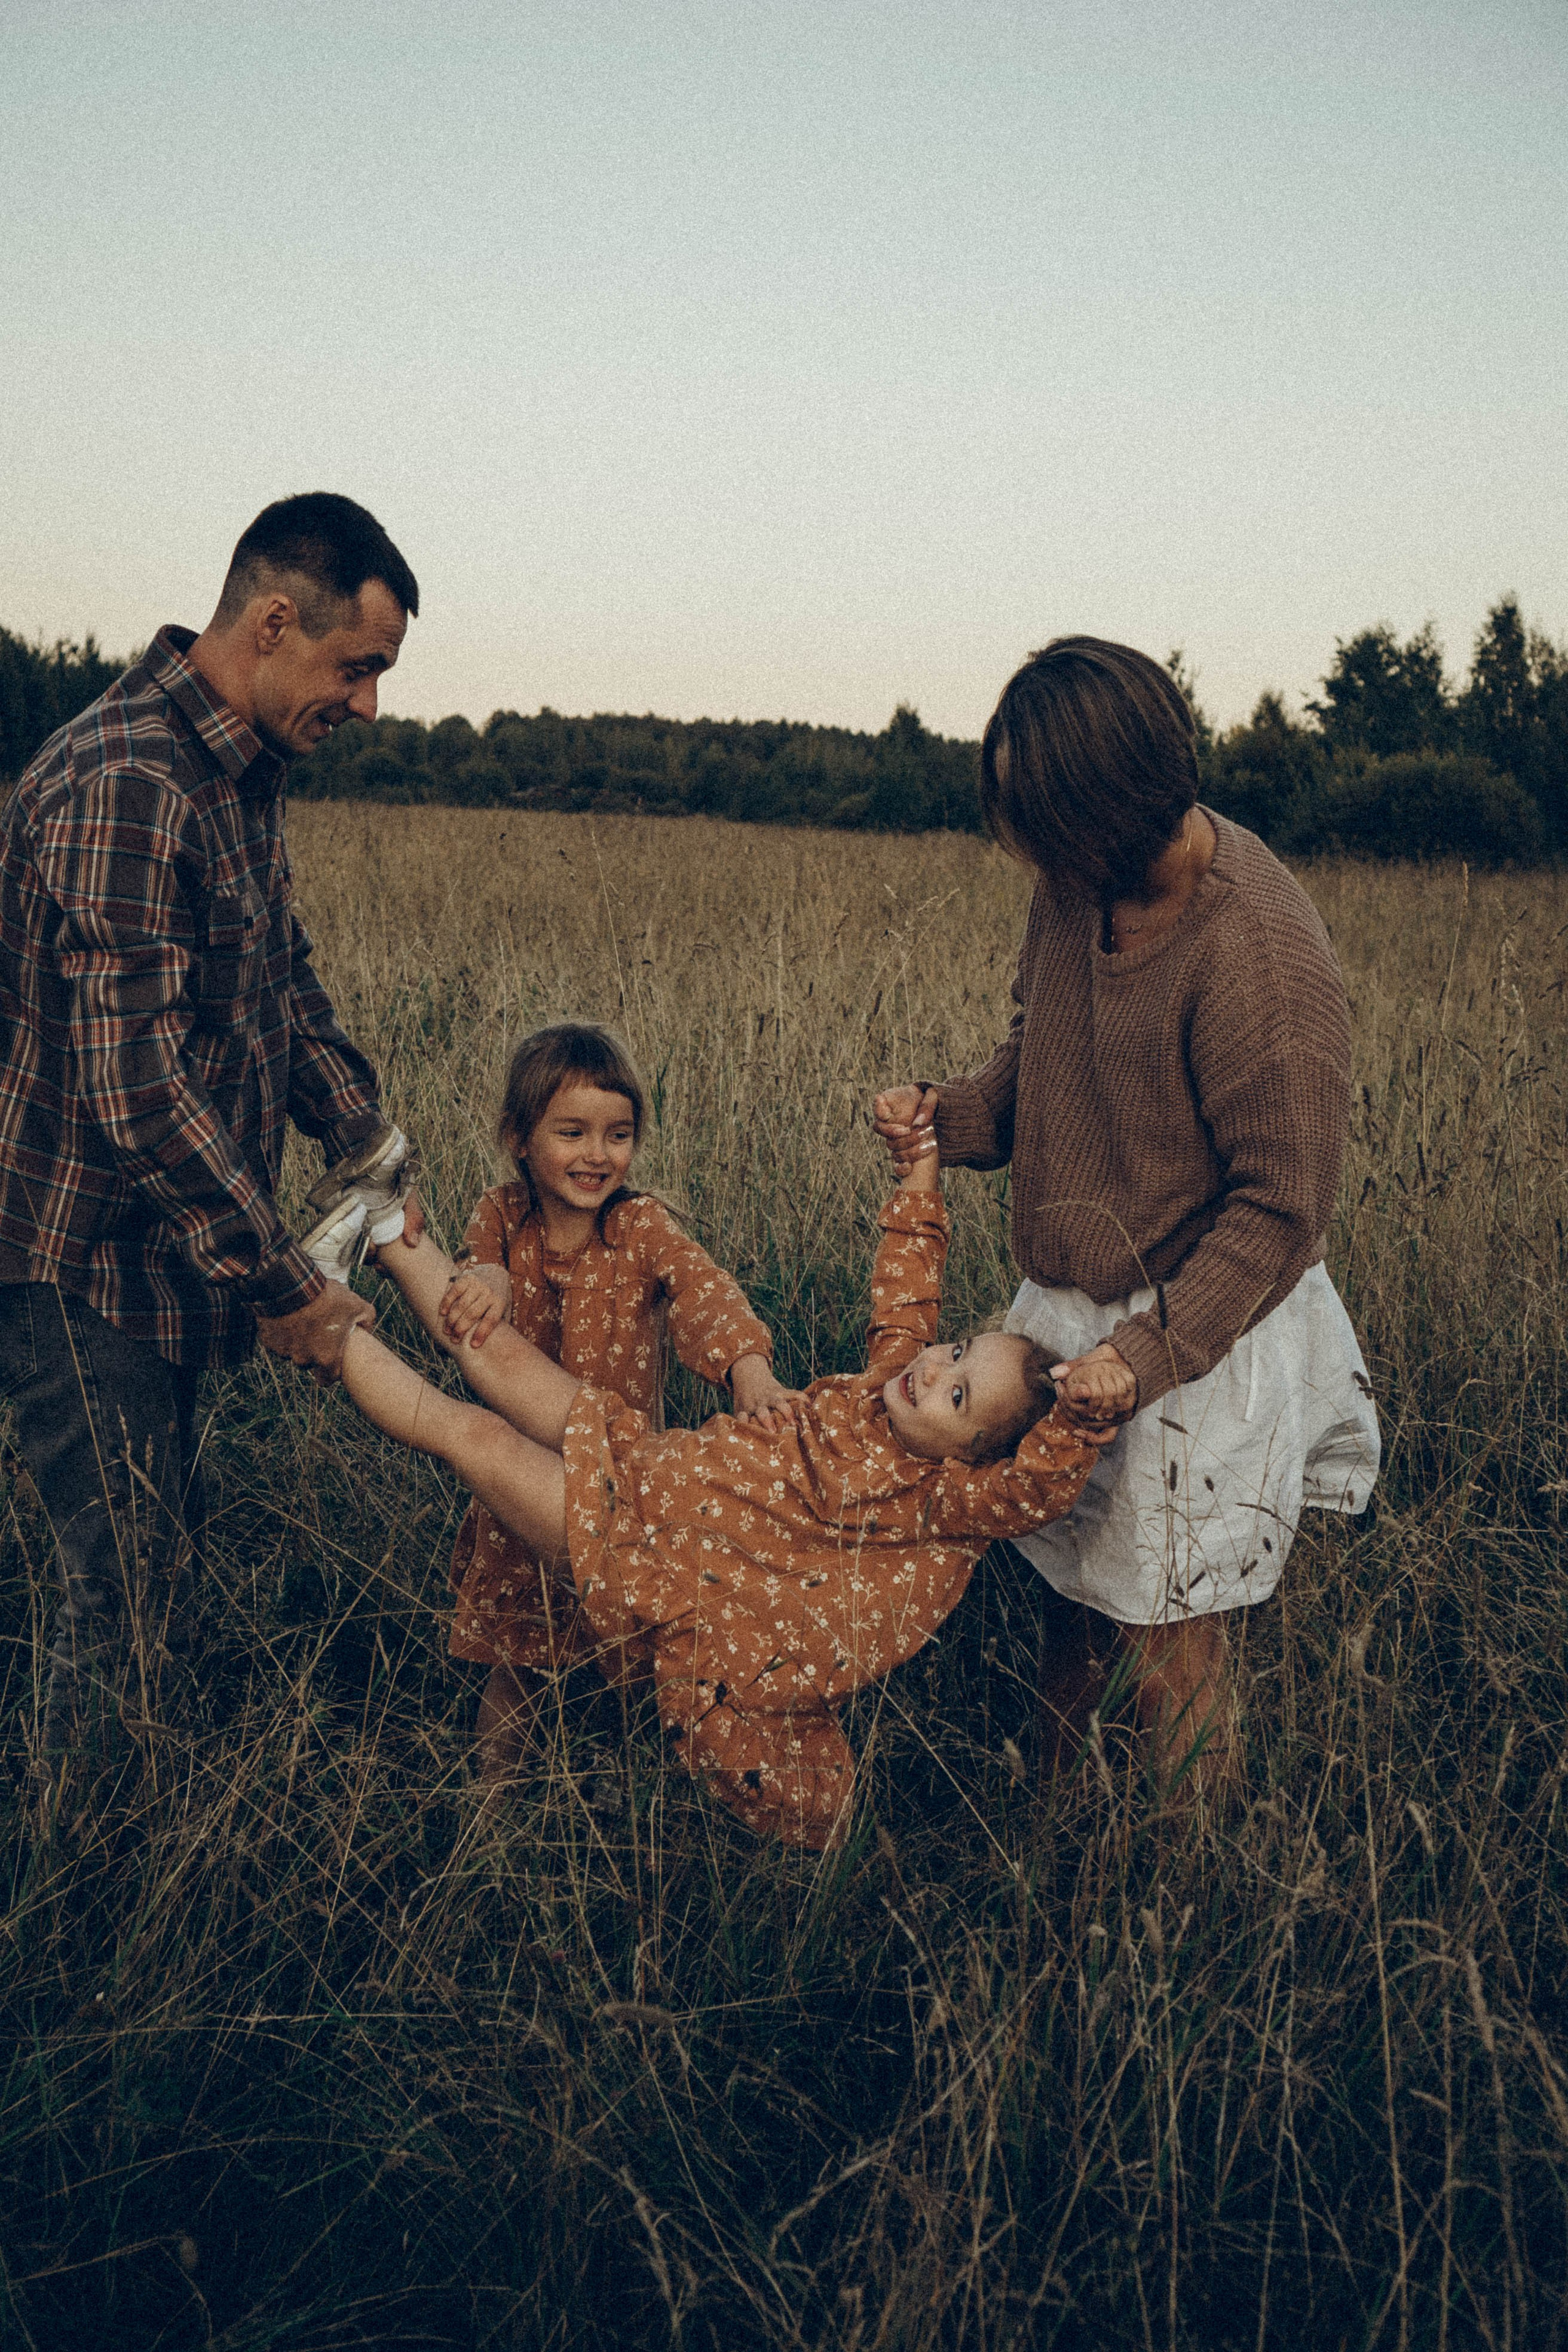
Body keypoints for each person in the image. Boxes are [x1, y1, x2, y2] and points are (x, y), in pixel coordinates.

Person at [274, 1128, 1106, 1849]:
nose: (934, 1372)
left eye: (958, 1397)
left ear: (971, 1461)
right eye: (957, 1352)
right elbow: (908, 1286)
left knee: (474, 1436)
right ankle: (386, 1222)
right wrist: (920, 1172)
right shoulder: (885, 1384)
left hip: (643, 1554)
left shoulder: (937, 1501)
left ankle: (314, 1317)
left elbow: (1034, 1493)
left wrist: (1077, 1423)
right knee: (498, 1352)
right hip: (639, 1460)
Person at [873, 636, 1380, 1795]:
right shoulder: (1078, 882)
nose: (1025, 851)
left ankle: (1194, 1882)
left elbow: (1281, 1210)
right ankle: (1057, 1840)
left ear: (1111, 807)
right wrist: (949, 1118)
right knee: (1069, 1601)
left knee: (1166, 1646)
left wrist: (1144, 1357)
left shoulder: (1258, 956)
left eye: (1040, 821)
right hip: (1070, 1317)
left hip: (1196, 1339)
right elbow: (1043, 1052)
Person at [0, 491, 423, 1763]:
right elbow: (135, 1089)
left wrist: (366, 1143)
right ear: (275, 622)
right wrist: (284, 1284)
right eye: (357, 667)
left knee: (158, 1562)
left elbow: (276, 978)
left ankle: (135, 1810)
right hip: (81, 1262)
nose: (369, 705)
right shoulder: (128, 780)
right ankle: (76, 1865)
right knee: (122, 1599)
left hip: (166, 1252)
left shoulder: (239, 769)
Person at [433, 1019, 800, 1783]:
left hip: (623, 1481)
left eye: (618, 1134)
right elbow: (476, 1268)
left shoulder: (639, 1226)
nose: (597, 1155)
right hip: (523, 1475)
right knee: (517, 1658)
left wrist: (749, 1370)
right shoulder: (501, 1216)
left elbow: (703, 1291)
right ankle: (490, 1805)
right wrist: (487, 1278)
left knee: (642, 1648)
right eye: (571, 1133)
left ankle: (636, 1792)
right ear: (519, 1137)